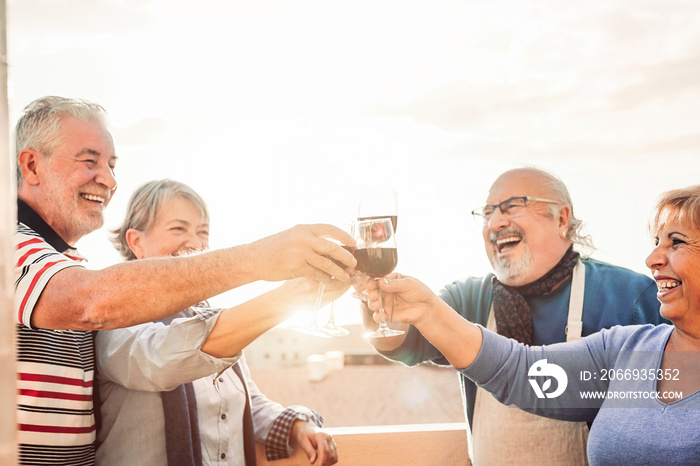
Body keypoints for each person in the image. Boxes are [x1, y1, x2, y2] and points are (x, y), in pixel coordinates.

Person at [14, 96, 355, 465]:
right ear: (32, 166)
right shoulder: (13, 247)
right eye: (90, 161)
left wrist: (296, 424)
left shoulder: (66, 266)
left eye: (112, 165)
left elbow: (243, 401)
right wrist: (268, 269)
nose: (109, 179)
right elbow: (121, 327)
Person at [364, 184, 700, 464]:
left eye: (677, 242)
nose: (653, 259)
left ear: (562, 219)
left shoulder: (627, 293)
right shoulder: (626, 350)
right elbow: (518, 372)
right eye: (487, 212)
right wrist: (420, 309)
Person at [95, 179, 339, 466]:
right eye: (178, 228)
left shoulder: (212, 318)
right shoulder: (115, 318)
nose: (196, 243)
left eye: (203, 232)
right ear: (136, 242)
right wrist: (289, 298)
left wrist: (300, 426)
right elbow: (164, 359)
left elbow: (249, 405)